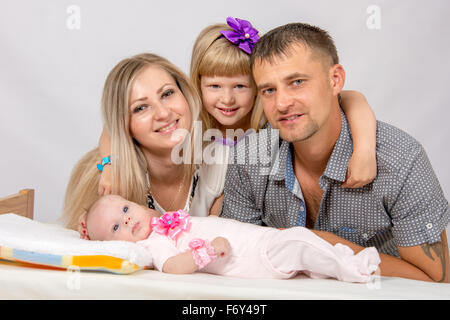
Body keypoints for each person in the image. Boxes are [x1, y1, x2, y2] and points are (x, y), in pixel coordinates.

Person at [220, 22, 450, 283]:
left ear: (335, 79)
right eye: (269, 90)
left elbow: (437, 279)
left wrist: (319, 244)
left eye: (297, 82)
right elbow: (237, 261)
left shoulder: (400, 160)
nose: (281, 103)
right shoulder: (249, 159)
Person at [190, 17, 378, 189]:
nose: (227, 99)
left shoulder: (276, 119)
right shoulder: (193, 132)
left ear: (258, 88)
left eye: (240, 86)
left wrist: (364, 150)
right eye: (214, 86)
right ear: (198, 85)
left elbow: (351, 99)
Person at [62, 53, 220, 229]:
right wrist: (110, 163)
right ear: (124, 126)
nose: (163, 113)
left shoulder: (220, 163)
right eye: (141, 108)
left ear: (185, 95)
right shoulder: (106, 182)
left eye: (167, 93)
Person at [78, 194, 381, 283]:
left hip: (257, 240)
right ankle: (348, 268)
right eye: (116, 227)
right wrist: (205, 253)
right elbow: (170, 266)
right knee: (299, 240)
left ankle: (333, 262)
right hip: (253, 256)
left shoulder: (162, 223)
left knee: (299, 243)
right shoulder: (152, 243)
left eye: (125, 209)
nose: (127, 219)